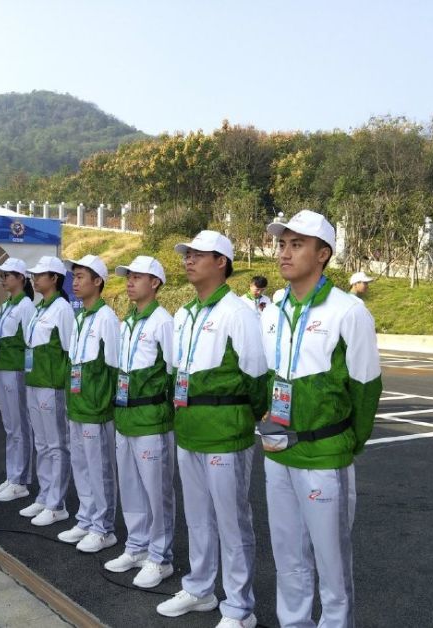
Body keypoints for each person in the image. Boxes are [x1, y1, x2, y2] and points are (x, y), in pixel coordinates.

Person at [260, 209, 382, 628]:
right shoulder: (272, 310)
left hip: (325, 454)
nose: (284, 253)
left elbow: (366, 389)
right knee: (287, 554)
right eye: (281, 244)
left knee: (332, 562)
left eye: (296, 245)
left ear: (323, 254)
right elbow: (268, 379)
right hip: (278, 450)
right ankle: (294, 622)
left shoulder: (348, 311)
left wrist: (346, 442)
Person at [155, 230, 268, 628]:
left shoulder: (238, 313)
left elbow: (258, 380)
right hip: (189, 431)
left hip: (225, 434)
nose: (188, 260)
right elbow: (175, 373)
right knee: (198, 518)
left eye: (198, 254)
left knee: (232, 523)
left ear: (221, 262)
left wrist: (241, 420)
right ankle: (200, 588)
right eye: (187, 254)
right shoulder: (184, 314)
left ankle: (239, 608)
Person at [104, 255, 177, 589]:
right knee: (131, 487)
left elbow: (174, 372)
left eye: (137, 277)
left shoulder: (163, 321)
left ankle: (160, 558)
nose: (130, 282)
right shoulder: (129, 320)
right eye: (128, 276)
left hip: (151, 419)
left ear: (155, 283)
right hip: (126, 416)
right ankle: (136, 546)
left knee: (157, 493)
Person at [56, 254, 121, 553]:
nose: (75, 282)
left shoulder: (107, 318)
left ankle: (103, 528)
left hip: (96, 410)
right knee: (81, 466)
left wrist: (104, 404)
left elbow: (114, 368)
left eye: (81, 276)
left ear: (98, 281)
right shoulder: (80, 317)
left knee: (100, 470)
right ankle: (86, 518)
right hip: (77, 406)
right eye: (75, 276)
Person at [19, 256, 75, 527]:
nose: (35, 279)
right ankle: (44, 495)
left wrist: (64, 385)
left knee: (56, 445)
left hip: (52, 386)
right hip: (34, 381)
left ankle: (57, 503)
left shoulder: (62, 309)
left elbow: (69, 351)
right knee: (41, 445)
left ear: (54, 278)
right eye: (34, 275)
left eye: (40, 275)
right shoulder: (40, 307)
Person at [0, 258, 37, 503]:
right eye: (2, 275)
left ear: (21, 278)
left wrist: (28, 373)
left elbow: (30, 344)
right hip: (2, 367)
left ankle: (20, 481)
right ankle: (12, 476)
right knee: (10, 427)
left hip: (16, 370)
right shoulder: (6, 304)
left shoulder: (26, 306)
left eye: (7, 275)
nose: (3, 279)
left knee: (19, 426)